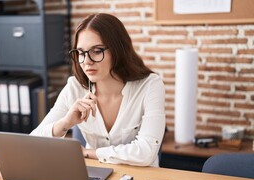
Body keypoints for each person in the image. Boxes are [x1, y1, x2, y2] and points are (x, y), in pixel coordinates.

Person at [31, 13, 165, 167]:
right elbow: (33, 141)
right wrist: (65, 123)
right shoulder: (74, 87)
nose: (86, 61)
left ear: (118, 50)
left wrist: (90, 153)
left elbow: (146, 152)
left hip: (141, 178)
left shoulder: (150, 86)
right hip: (93, 174)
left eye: (97, 51)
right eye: (81, 53)